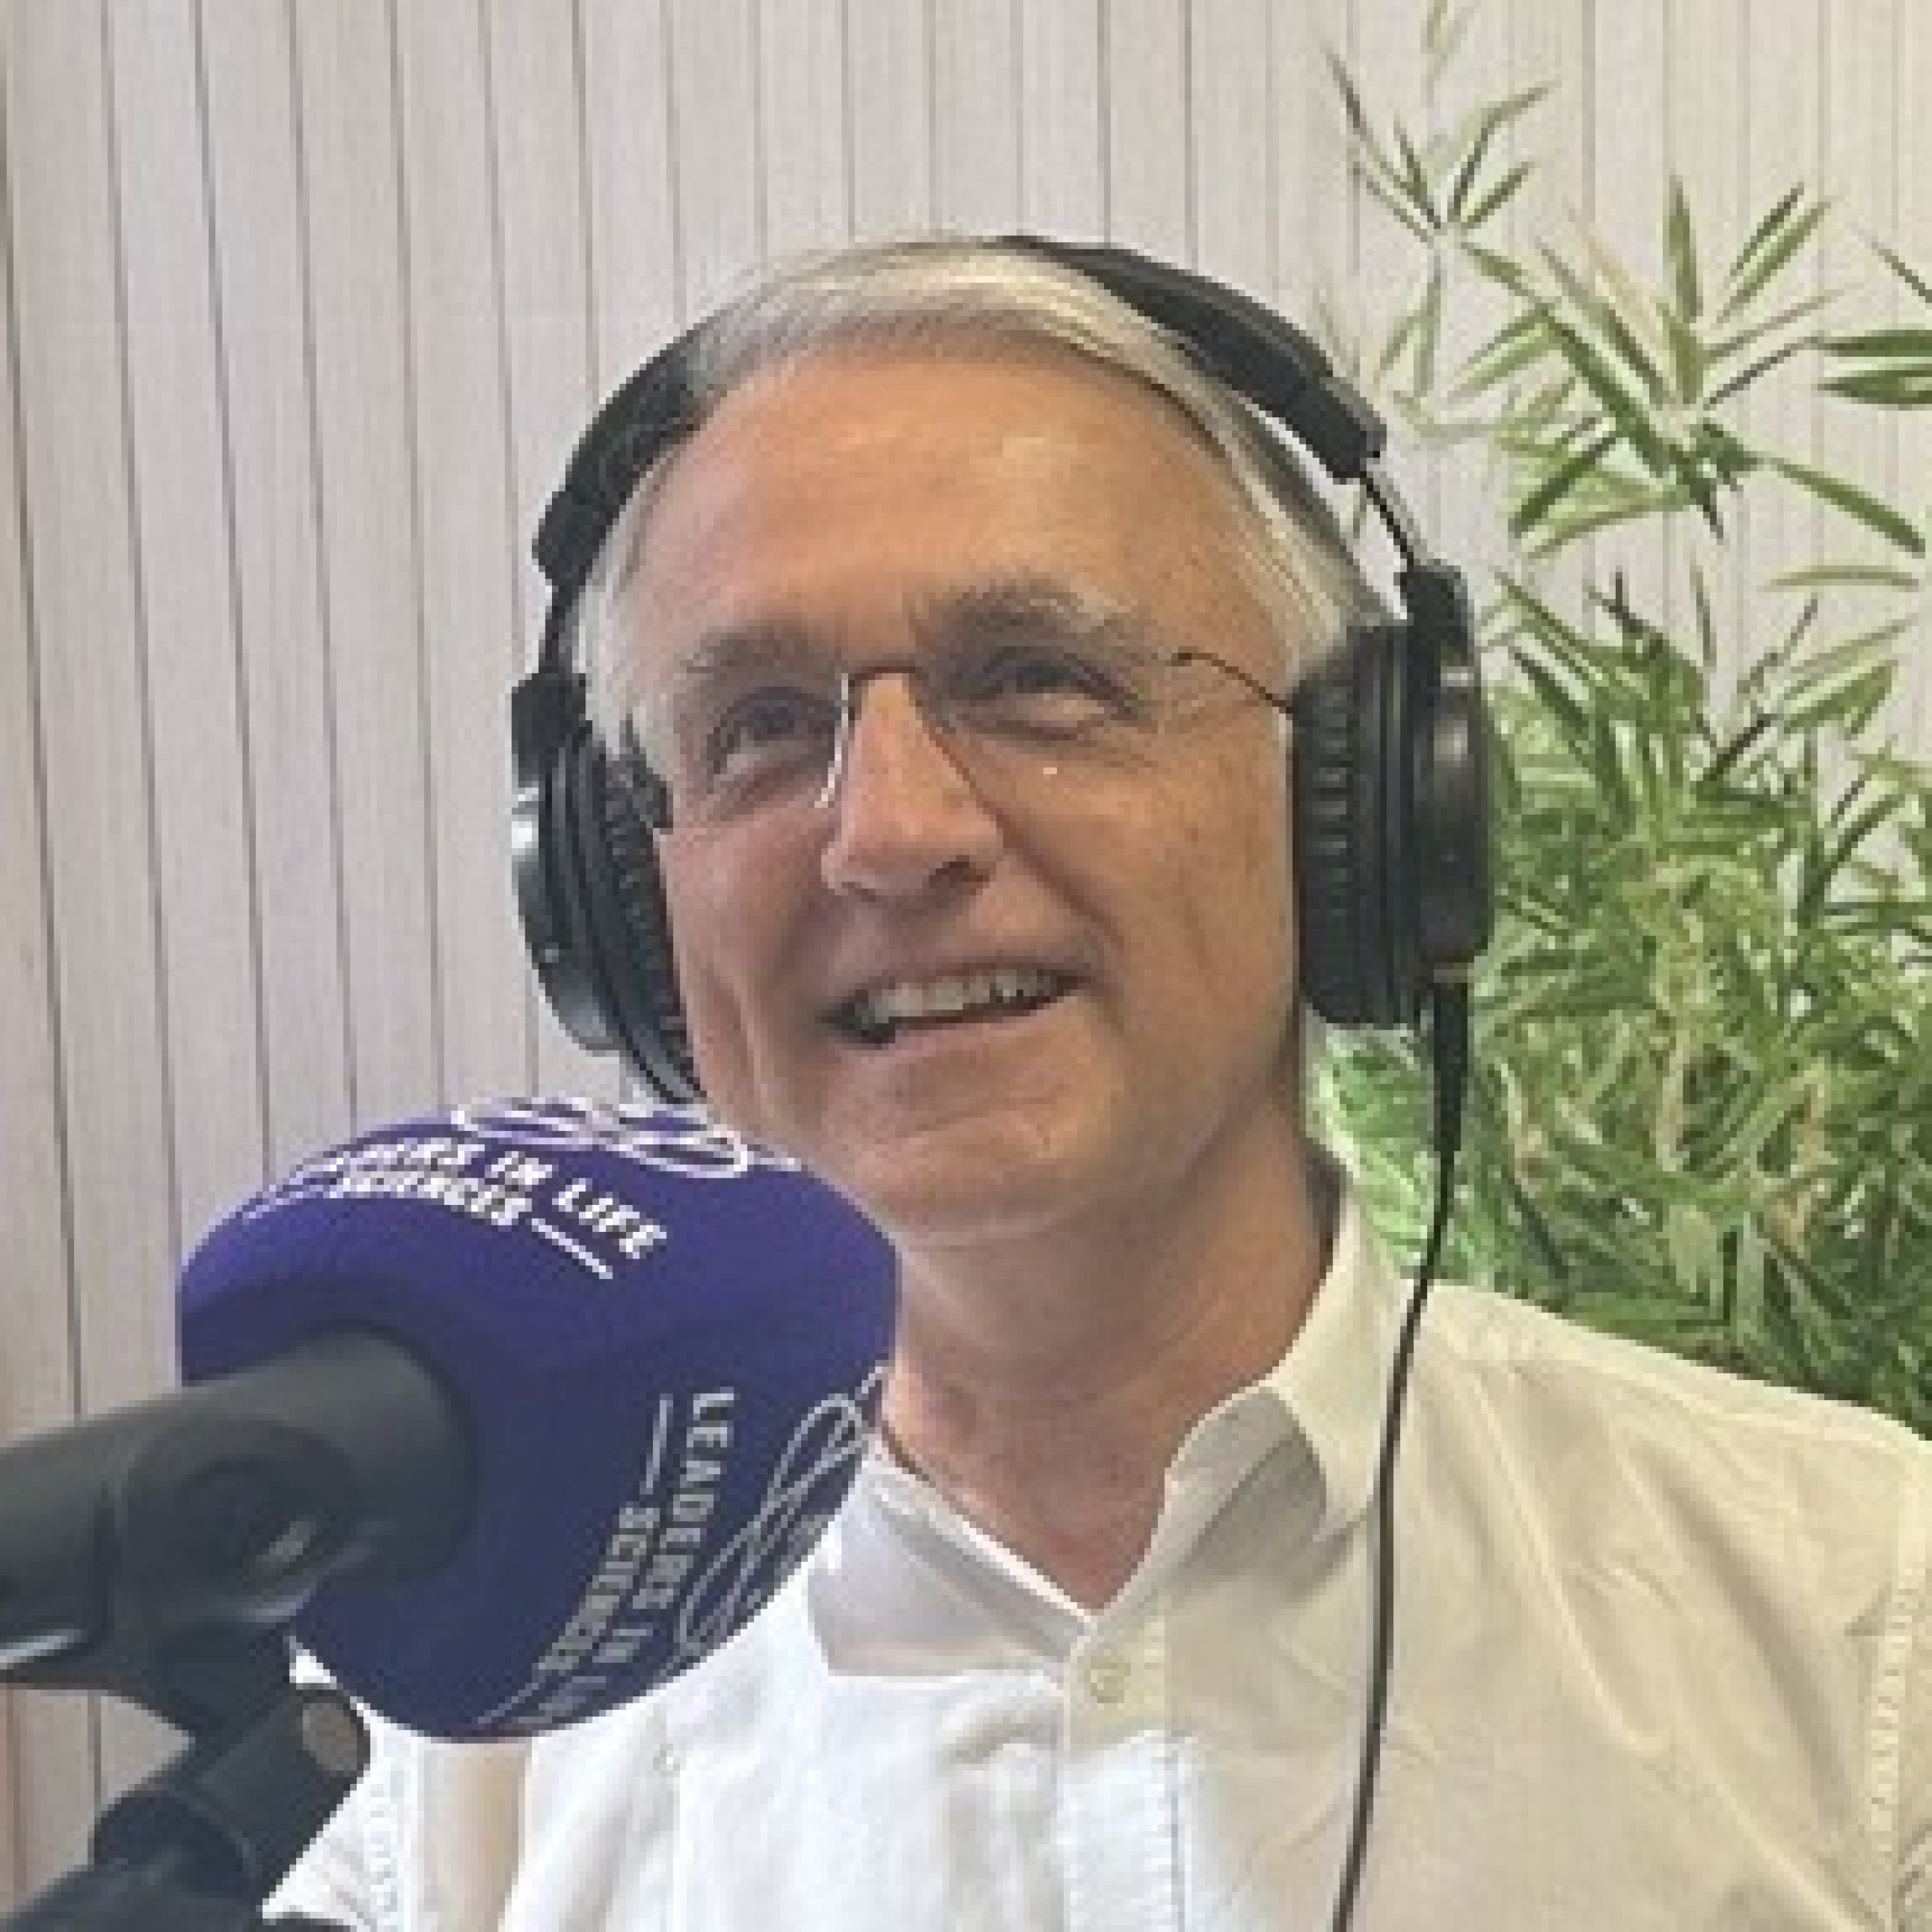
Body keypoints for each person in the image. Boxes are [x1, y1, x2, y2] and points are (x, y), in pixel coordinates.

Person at [269, 236, 1932, 1929]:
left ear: (1354, 802)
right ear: (625, 908)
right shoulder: (472, 1737)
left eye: (1040, 682)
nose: (890, 832)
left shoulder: (1857, 1622)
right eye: (761, 726)